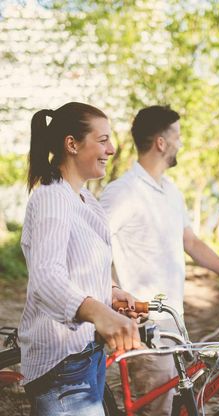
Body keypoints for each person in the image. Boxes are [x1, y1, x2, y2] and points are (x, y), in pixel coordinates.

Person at [100, 105, 219, 415]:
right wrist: (112, 291)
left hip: (173, 322)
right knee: (156, 409)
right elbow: (92, 245)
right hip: (144, 324)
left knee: (172, 403)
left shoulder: (171, 192)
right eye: (177, 136)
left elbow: (191, 242)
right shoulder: (123, 192)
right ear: (161, 142)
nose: (180, 143)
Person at [19, 102, 141, 416]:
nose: (112, 149)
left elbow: (83, 265)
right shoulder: (51, 199)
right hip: (63, 365)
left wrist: (111, 293)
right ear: (71, 144)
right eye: (103, 140)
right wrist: (98, 311)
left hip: (87, 354)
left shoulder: (84, 198)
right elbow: (47, 277)